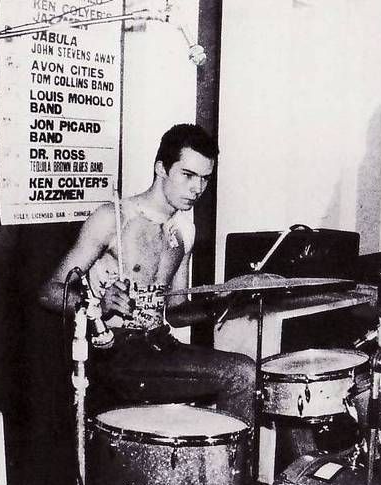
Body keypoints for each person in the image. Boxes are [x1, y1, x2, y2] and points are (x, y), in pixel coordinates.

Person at [39, 123, 255, 425]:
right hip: (115, 353)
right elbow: (50, 290)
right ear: (161, 169)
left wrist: (228, 297)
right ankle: (235, 471)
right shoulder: (113, 218)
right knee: (241, 373)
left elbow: (176, 312)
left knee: (246, 370)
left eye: (205, 179)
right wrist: (98, 306)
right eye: (188, 175)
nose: (197, 189)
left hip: (160, 346)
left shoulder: (184, 231)